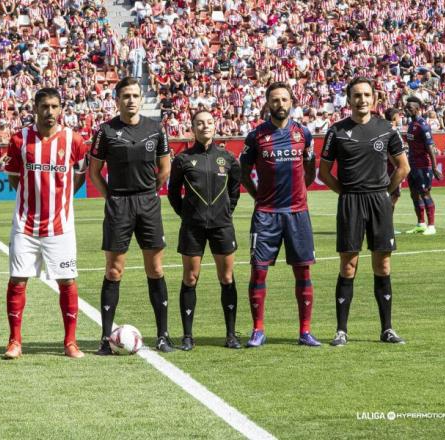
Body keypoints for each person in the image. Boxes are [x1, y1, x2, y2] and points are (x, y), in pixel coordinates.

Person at [319, 77, 410, 346]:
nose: (362, 100)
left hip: (378, 201)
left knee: (382, 264)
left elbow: (403, 167)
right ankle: (341, 330)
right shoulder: (336, 131)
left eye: (367, 95)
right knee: (349, 265)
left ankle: (387, 329)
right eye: (357, 95)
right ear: (348, 100)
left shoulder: (387, 129)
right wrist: (345, 193)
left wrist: (385, 191)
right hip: (351, 202)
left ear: (375, 99)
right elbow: (324, 173)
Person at [88, 76, 173, 354]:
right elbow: (94, 172)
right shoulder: (106, 131)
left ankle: (163, 335)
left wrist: (150, 191)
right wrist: (111, 197)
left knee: (156, 268)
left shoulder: (155, 129)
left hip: (147, 203)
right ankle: (104, 339)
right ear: (117, 100)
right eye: (126, 96)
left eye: (135, 95)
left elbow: (164, 168)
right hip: (119, 204)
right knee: (114, 270)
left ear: (141, 99)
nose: (131, 100)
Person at [2, 88, 88, 360]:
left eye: (54, 106)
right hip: (25, 225)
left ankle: (70, 342)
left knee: (67, 280)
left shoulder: (74, 140)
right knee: (17, 279)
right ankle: (15, 341)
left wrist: (61, 199)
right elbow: (15, 179)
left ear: (61, 109)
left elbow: (81, 174)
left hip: (60, 227)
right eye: (44, 106)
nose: (49, 112)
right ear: (35, 108)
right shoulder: (19, 140)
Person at [239, 82, 321, 348]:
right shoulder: (256, 136)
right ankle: (258, 330)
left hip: (297, 213)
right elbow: (243, 171)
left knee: (303, 271)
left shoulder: (303, 133)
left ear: (292, 102)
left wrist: (302, 190)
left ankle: (305, 331)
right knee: (259, 272)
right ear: (267, 103)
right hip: (266, 214)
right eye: (275, 100)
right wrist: (257, 196)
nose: (280, 104)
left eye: (284, 100)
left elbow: (310, 165)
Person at [167, 110, 241, 351]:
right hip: (192, 228)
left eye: (209, 122)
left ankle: (231, 334)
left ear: (215, 125)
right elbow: (173, 193)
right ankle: (187, 336)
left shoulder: (228, 158)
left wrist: (225, 213)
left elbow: (234, 191)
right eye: (200, 123)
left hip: (222, 226)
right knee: (190, 278)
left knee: (227, 278)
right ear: (193, 128)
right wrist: (187, 215)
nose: (205, 126)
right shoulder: (183, 159)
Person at [403, 96, 443, 235]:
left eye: (409, 108)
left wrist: (434, 167)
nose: (406, 110)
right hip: (412, 164)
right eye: (406, 107)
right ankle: (421, 223)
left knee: (425, 193)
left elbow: (430, 147)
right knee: (414, 194)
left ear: (417, 109)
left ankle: (431, 226)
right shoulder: (411, 124)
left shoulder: (423, 125)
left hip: (423, 165)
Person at [384, 108, 404, 234]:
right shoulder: (392, 131)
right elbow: (390, 151)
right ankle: (387, 226)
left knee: (391, 196)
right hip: (392, 169)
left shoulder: (385, 130)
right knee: (393, 196)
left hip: (388, 167)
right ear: (395, 118)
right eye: (399, 116)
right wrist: (398, 166)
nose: (401, 118)